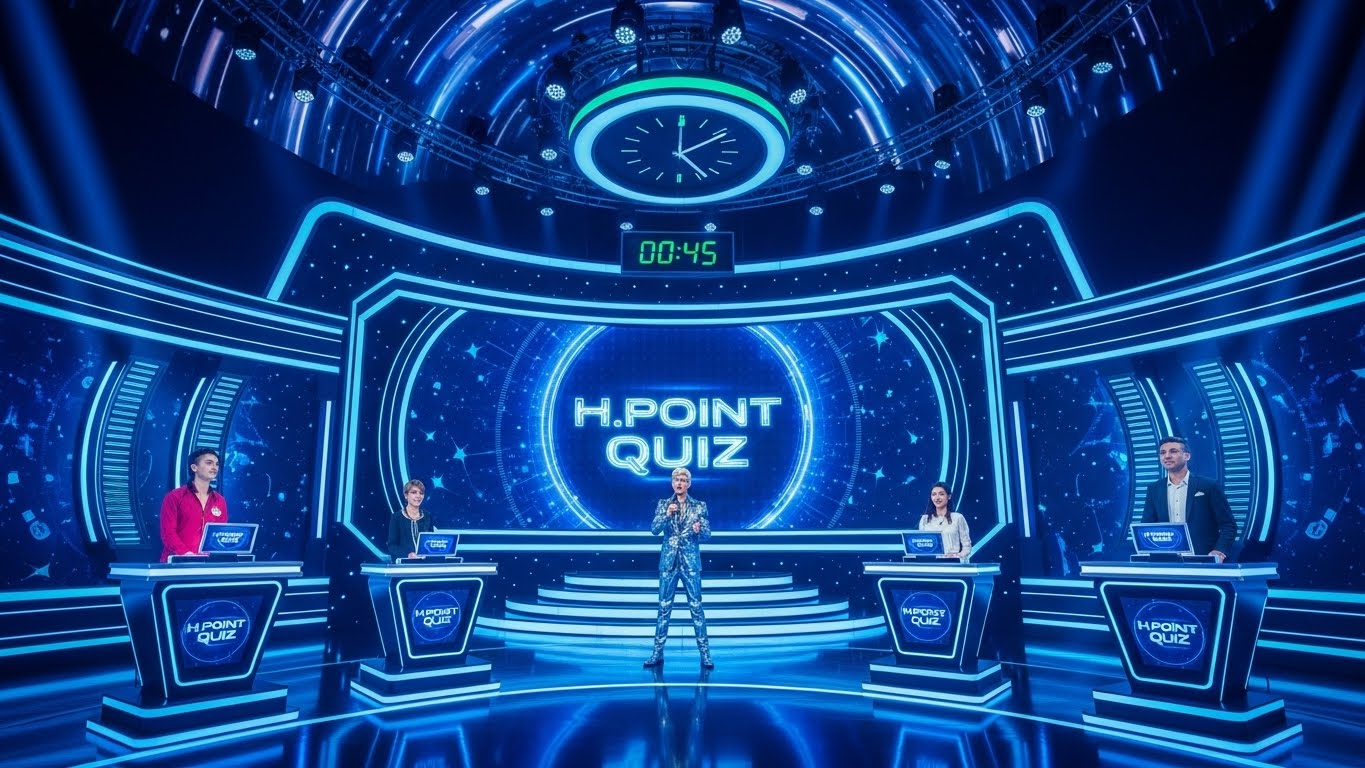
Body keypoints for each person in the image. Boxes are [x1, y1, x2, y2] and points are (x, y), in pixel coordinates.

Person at [643, 467, 713, 669]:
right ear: (672, 483)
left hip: (690, 563)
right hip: (669, 562)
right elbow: (654, 529)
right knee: (664, 608)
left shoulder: (699, 506)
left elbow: (707, 534)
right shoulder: (664, 504)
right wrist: (666, 514)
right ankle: (657, 653)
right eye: (676, 480)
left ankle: (705, 655)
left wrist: (700, 530)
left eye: (683, 480)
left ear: (689, 484)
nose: (680, 483)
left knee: (696, 608)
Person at [1141, 436, 1237, 562]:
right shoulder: (1154, 489)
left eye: (1173, 451)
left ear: (1187, 456)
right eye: (1163, 453)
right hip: (1166, 561)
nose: (1167, 456)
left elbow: (1228, 525)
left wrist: (1219, 551)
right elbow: (1147, 527)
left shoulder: (1209, 486)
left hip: (1203, 559)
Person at [159, 448, 228, 562]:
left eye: (216, 464)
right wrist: (187, 554)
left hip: (208, 564)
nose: (214, 467)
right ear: (194, 467)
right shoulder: (175, 497)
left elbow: (220, 533)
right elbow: (168, 533)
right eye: (209, 463)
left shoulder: (219, 501)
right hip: (177, 562)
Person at [918, 481, 972, 561]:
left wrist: (958, 555)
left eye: (941, 494)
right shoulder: (925, 519)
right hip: (931, 563)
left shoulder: (957, 518)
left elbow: (967, 546)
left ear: (949, 496)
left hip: (952, 563)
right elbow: (922, 545)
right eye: (934, 494)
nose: (937, 498)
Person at [387, 479, 437, 560]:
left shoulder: (427, 516)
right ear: (406, 495)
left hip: (424, 563)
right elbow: (392, 546)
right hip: (405, 563)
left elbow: (430, 542)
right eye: (414, 492)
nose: (418, 496)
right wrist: (408, 555)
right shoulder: (396, 517)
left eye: (421, 493)